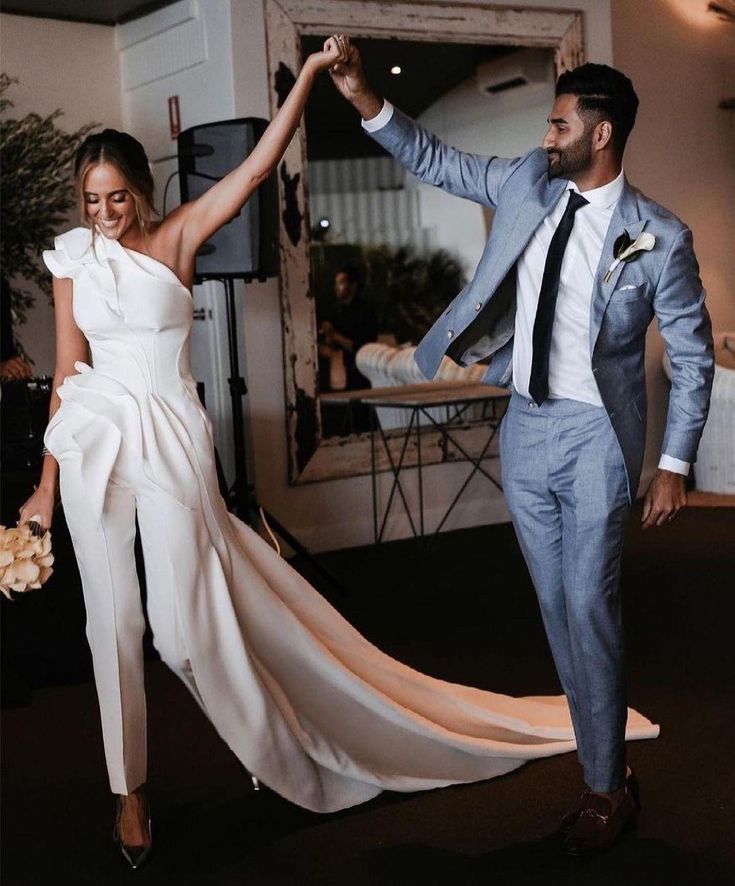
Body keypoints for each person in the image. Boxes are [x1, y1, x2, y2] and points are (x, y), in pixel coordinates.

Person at [20, 35, 658, 871]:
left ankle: (277, 746)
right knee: (111, 623)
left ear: (138, 191)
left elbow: (253, 169)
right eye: (90, 200)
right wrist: (42, 488)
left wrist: (315, 78)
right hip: (93, 438)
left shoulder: (176, 236)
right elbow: (68, 372)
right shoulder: (72, 261)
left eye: (114, 197)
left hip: (169, 437)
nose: (102, 214)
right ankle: (127, 792)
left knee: (178, 636)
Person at [329, 42, 714, 854]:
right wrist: (364, 96)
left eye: (558, 122)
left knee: (587, 604)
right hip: (525, 426)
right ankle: (600, 763)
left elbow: (688, 351)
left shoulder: (659, 236)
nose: (546, 135)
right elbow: (434, 157)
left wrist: (673, 464)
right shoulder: (523, 183)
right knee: (553, 609)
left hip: (596, 438)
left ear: (600, 134)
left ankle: (605, 788)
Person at [318, 264, 378, 391]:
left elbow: (363, 346)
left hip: (359, 374)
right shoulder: (335, 311)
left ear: (353, 286)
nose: (336, 288)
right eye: (336, 284)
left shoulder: (365, 311)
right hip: (338, 374)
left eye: (341, 283)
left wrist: (335, 335)